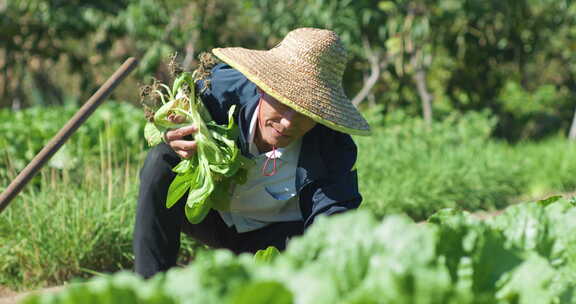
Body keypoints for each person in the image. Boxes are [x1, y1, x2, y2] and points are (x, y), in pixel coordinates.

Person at [133, 27, 371, 278]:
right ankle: (150, 285)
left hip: (278, 238)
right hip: (212, 217)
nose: (288, 123)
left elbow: (333, 219)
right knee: (161, 159)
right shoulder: (215, 94)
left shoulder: (331, 146)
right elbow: (167, 129)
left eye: (305, 112)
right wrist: (171, 132)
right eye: (283, 103)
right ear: (262, 88)